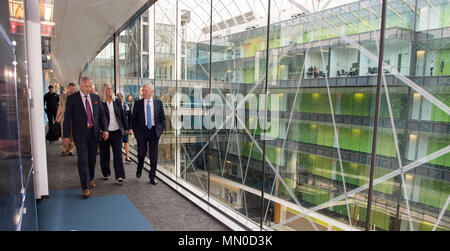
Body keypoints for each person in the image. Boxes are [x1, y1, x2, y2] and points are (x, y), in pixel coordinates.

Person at [63, 77, 109, 198]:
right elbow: (67, 118)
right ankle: (85, 187)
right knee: (83, 159)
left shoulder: (95, 98)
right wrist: (66, 136)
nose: (88, 89)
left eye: (90, 86)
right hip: (80, 134)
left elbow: (101, 114)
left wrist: (105, 129)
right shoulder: (72, 99)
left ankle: (91, 178)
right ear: (80, 86)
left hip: (93, 133)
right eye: (86, 86)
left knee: (92, 158)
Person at [132, 83, 166, 185]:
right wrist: (136, 133)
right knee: (141, 153)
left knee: (153, 155)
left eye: (146, 90)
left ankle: (152, 176)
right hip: (142, 132)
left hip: (154, 132)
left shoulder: (158, 103)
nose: (144, 92)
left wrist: (159, 131)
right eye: (143, 90)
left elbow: (162, 119)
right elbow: (134, 120)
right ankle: (140, 165)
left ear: (152, 92)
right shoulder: (138, 103)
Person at [98, 84, 129, 183]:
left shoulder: (117, 101)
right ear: (103, 91)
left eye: (111, 89)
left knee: (118, 154)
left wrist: (126, 128)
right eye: (108, 89)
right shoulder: (100, 102)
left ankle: (120, 175)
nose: (110, 91)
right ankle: (106, 172)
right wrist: (101, 129)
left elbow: (122, 115)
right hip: (105, 132)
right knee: (104, 153)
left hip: (116, 131)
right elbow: (97, 117)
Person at [56, 83, 77, 156]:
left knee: (72, 134)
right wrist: (57, 117)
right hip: (64, 117)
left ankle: (71, 149)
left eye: (73, 89)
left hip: (74, 118)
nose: (72, 90)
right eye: (71, 88)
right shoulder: (63, 96)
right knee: (64, 133)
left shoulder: (77, 97)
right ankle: (64, 149)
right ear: (68, 88)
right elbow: (60, 107)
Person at [117, 92, 133, 162]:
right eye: (119, 98)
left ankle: (127, 156)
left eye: (122, 98)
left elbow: (130, 117)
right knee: (119, 142)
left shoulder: (127, 105)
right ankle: (119, 157)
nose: (121, 99)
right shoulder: (115, 106)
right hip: (118, 127)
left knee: (126, 141)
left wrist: (130, 128)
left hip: (126, 127)